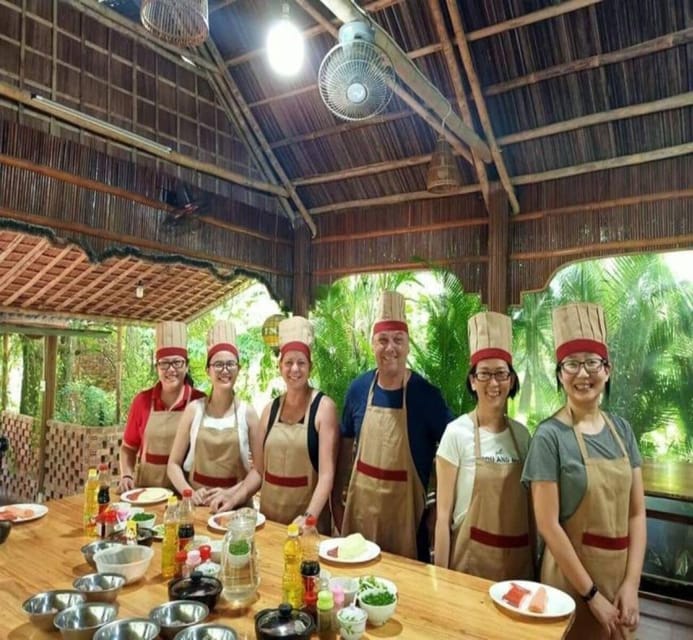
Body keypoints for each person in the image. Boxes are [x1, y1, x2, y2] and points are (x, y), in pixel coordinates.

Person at [522, 303, 646, 640]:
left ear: (607, 370)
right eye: (572, 364)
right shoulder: (549, 436)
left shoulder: (623, 431)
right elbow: (548, 525)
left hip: (618, 586)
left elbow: (636, 515)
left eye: (592, 362)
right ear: (560, 373)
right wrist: (592, 596)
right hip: (568, 587)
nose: (582, 374)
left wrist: (632, 585)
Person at [336, 290, 453, 561]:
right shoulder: (358, 390)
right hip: (359, 528)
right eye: (383, 340)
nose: (391, 348)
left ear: (408, 344)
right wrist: (337, 505)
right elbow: (343, 453)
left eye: (398, 340)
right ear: (372, 344)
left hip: (408, 530)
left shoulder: (426, 396)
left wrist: (438, 511)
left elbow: (453, 452)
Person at [434, 311, 533, 580]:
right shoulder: (455, 433)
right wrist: (440, 581)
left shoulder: (523, 437)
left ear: (511, 380)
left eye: (501, 374)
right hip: (469, 566)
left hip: (516, 568)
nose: (493, 383)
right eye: (485, 374)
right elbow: (443, 518)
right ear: (472, 380)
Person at [240, 315, 339, 532]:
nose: (294, 369)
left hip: (307, 525)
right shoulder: (269, 410)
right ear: (280, 367)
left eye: (301, 363)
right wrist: (232, 496)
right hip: (270, 522)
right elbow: (258, 471)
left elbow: (326, 475)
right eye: (289, 363)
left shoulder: (324, 409)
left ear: (310, 367)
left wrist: (308, 517)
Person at [167, 320, 262, 508]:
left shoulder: (248, 414)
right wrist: (189, 493)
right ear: (207, 371)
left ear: (239, 369)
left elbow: (259, 472)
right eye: (218, 365)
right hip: (198, 508)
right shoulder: (194, 410)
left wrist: (231, 494)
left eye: (230, 364)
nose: (224, 370)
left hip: (237, 510)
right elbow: (173, 465)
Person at [118, 321, 205, 491]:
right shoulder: (141, 401)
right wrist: (126, 475)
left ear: (186, 366)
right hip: (146, 493)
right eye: (164, 363)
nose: (170, 369)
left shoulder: (200, 402)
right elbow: (128, 448)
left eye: (177, 363)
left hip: (187, 496)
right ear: (157, 367)